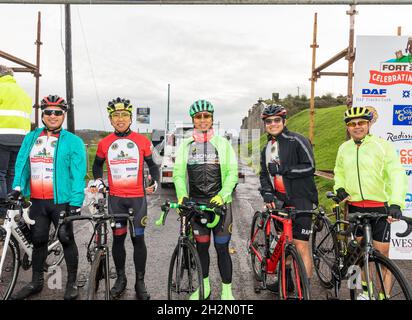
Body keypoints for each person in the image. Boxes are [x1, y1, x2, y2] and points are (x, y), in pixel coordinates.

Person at [9, 94, 86, 300]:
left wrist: (76, 202)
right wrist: (17, 187)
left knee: (66, 238)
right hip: (37, 200)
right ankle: (36, 282)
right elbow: (22, 164)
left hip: (61, 200)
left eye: (57, 112)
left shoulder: (74, 141)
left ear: (64, 115)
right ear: (43, 115)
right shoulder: (31, 137)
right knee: (39, 239)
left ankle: (71, 284)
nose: (53, 116)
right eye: (48, 112)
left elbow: (78, 174)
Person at [333, 106, 408, 300]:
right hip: (355, 207)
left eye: (361, 123)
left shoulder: (382, 145)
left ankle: (384, 296)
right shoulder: (344, 148)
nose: (357, 127)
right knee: (359, 256)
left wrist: (396, 203)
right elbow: (339, 172)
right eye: (352, 124)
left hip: (379, 208)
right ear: (348, 127)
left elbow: (396, 174)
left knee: (382, 258)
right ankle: (364, 293)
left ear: (368, 124)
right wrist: (339, 187)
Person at [89, 97, 159, 300]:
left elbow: (153, 165)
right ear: (111, 120)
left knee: (138, 239)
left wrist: (154, 180)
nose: (120, 119)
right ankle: (121, 279)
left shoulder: (142, 141)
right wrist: (98, 182)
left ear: (130, 119)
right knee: (118, 239)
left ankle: (140, 281)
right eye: (116, 116)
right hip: (116, 199)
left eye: (124, 115)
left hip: (138, 199)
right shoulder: (104, 143)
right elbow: (96, 166)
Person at [173, 99, 238, 300]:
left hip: (219, 204)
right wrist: (182, 196)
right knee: (201, 248)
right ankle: (204, 287)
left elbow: (232, 173)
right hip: (197, 205)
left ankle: (227, 291)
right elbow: (177, 174)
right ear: (193, 119)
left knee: (222, 249)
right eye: (198, 117)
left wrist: (222, 195)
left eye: (206, 116)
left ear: (212, 119)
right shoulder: (185, 144)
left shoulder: (222, 143)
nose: (203, 120)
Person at [259, 104, 318, 290]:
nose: (273, 124)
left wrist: (284, 170)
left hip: (301, 199)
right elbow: (264, 173)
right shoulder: (266, 148)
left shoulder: (297, 140)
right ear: (265, 124)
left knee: (301, 246)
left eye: (277, 120)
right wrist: (267, 192)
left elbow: (310, 167)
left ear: (284, 121)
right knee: (283, 242)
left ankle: (304, 289)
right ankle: (286, 282)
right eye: (269, 121)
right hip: (279, 200)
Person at [0, 65, 32, 210]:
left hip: (2, 137)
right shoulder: (23, 93)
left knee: (0, 174)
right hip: (21, 140)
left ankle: (2, 211)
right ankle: (12, 211)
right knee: (12, 174)